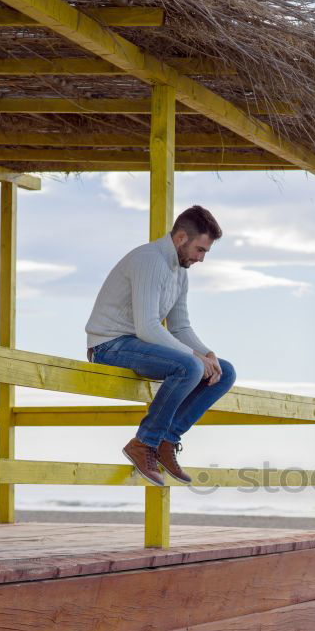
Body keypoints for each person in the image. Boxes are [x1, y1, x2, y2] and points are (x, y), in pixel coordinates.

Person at [85, 205, 236, 487]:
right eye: (200, 250)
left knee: (224, 372)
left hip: (140, 346)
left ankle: (167, 440)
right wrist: (194, 357)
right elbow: (148, 327)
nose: (202, 259)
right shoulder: (149, 259)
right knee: (188, 365)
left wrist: (207, 353)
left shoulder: (180, 271)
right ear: (180, 238)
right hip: (109, 346)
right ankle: (143, 444)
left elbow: (179, 327)